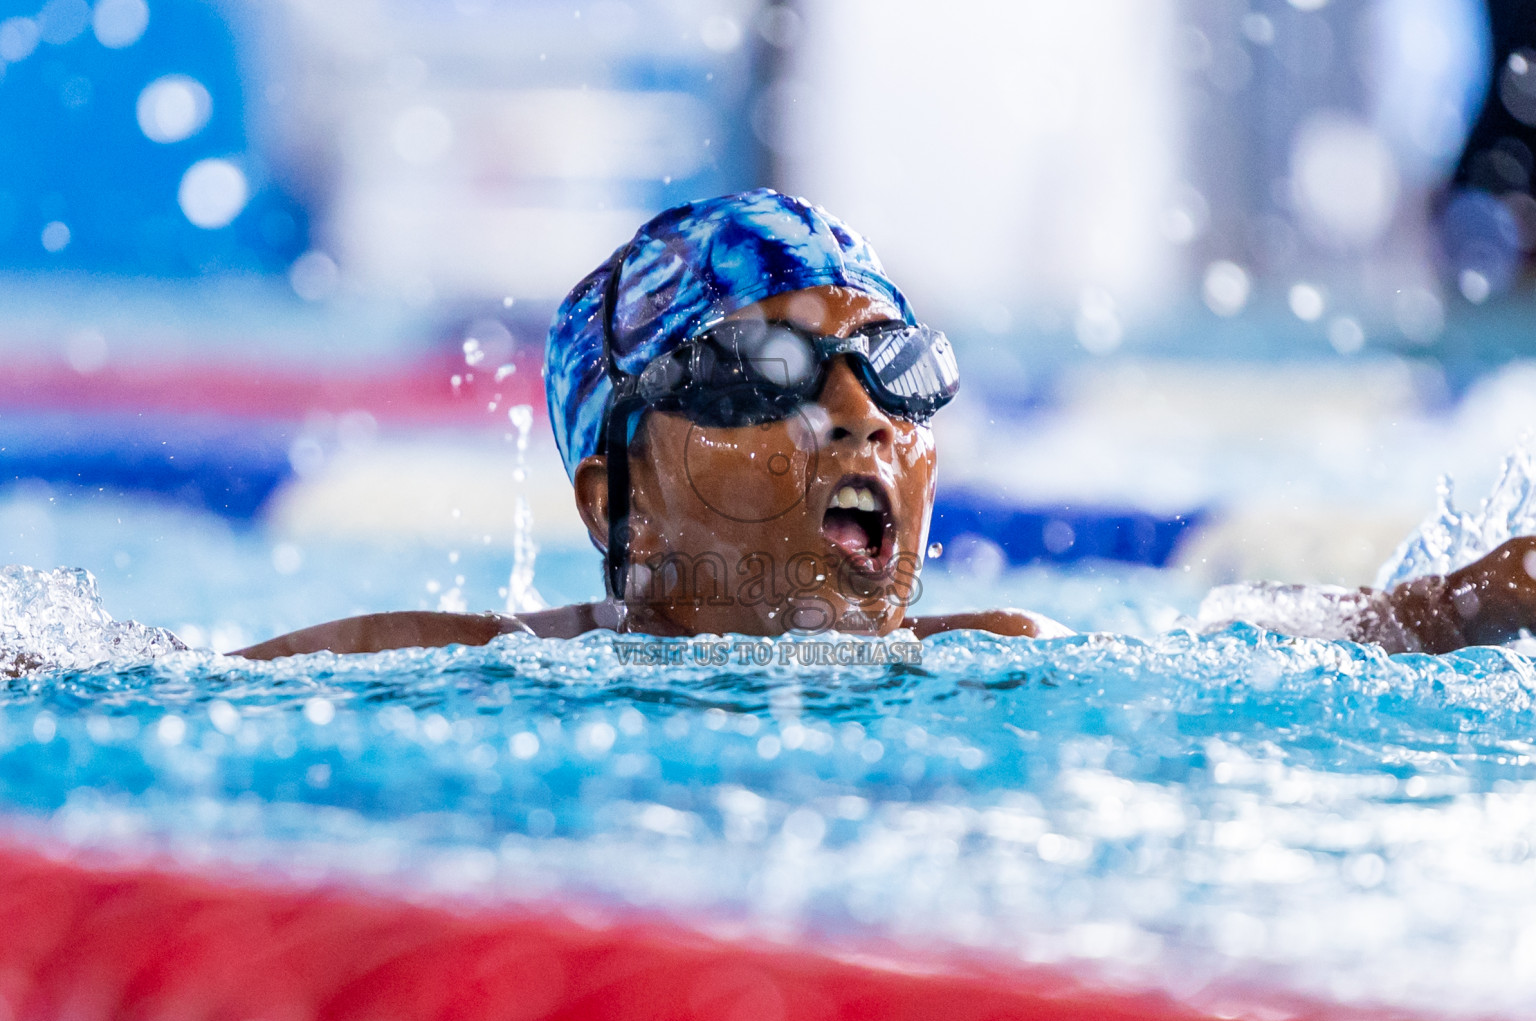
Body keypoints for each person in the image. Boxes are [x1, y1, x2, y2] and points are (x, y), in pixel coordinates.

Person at [235, 189, 1536, 660]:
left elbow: (1282, 654)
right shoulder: (455, 670)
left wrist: (1475, 600)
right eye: (762, 371)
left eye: (895, 366)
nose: (858, 415)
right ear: (607, 503)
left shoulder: (997, 660)